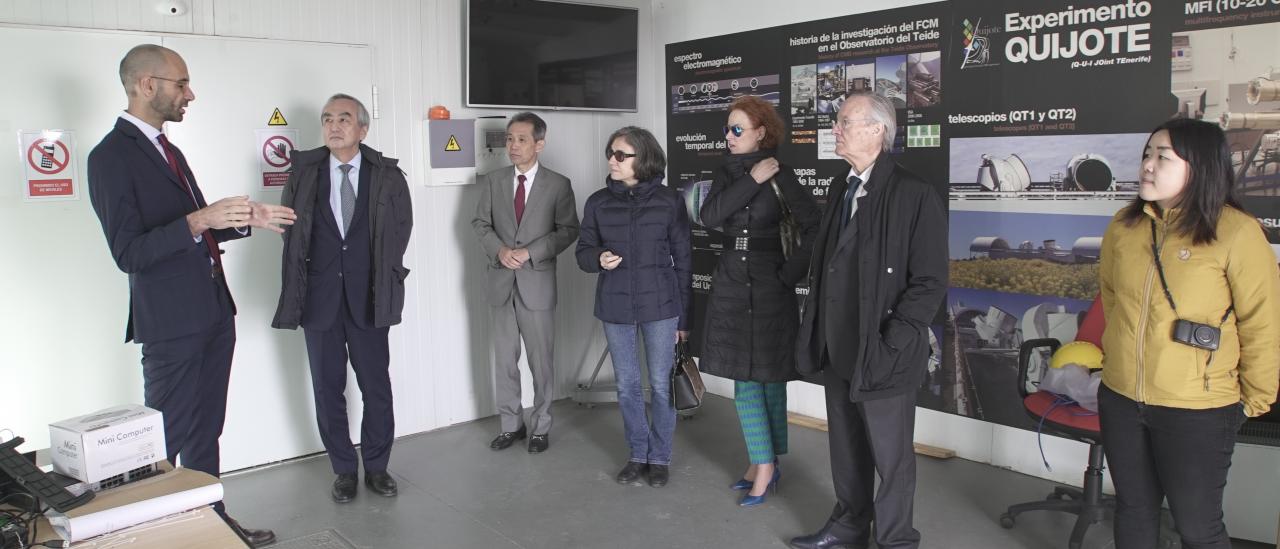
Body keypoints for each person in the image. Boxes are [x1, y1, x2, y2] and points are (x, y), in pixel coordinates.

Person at [87, 44, 294, 547]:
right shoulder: (109, 157)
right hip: (171, 326)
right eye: (182, 84)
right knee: (165, 443)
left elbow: (194, 231)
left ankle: (213, 527)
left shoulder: (170, 151)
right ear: (146, 85)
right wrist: (200, 219)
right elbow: (130, 252)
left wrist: (245, 220)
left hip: (213, 314)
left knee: (206, 433)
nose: (190, 94)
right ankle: (152, 535)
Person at [1098, 118, 1280, 549]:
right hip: (1122, 398)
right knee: (1133, 511)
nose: (1147, 165)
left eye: (1163, 156)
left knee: (1197, 528)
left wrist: (1253, 400)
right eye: (1147, 154)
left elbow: (1263, 321)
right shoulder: (1125, 227)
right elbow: (1112, 301)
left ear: (1198, 166)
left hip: (1197, 408)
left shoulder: (1235, 232)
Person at [790, 92, 947, 549]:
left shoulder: (915, 194)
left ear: (878, 129)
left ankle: (896, 540)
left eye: (844, 122)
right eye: (837, 122)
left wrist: (893, 340)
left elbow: (931, 281)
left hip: (883, 350)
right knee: (846, 447)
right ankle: (850, 525)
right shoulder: (843, 187)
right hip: (838, 345)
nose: (835, 129)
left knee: (891, 457)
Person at [271, 94, 413, 503]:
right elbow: (292, 231)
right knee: (327, 388)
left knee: (376, 387)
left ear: (362, 129)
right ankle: (344, 471)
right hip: (320, 300)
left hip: (369, 298)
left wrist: (381, 276)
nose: (334, 126)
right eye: (328, 119)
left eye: (344, 119)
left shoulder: (386, 175)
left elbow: (400, 231)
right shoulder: (304, 172)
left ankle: (378, 467)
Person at [697, 96, 819, 507]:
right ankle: (763, 463)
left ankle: (765, 463)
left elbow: (815, 229)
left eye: (737, 129)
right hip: (732, 284)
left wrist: (788, 274)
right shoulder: (726, 173)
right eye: (727, 130)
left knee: (769, 379)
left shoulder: (783, 176)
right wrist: (752, 180)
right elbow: (709, 216)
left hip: (770, 288)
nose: (728, 137)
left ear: (760, 132)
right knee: (744, 379)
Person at [575, 126, 691, 488]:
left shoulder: (670, 201)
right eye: (611, 153)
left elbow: (684, 261)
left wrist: (683, 318)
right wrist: (598, 257)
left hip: (661, 305)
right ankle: (637, 454)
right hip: (615, 305)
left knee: (659, 385)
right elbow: (582, 252)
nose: (612, 159)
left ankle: (660, 457)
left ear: (644, 158)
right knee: (627, 386)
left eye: (621, 155)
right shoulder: (597, 202)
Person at [472, 112, 580, 453]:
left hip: (537, 285)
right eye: (509, 139)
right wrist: (499, 250)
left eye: (521, 139)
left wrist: (530, 253)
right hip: (501, 283)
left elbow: (568, 230)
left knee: (541, 361)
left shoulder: (558, 184)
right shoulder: (493, 181)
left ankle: (541, 426)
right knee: (504, 360)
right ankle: (511, 425)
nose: (513, 146)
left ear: (539, 144)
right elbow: (480, 223)